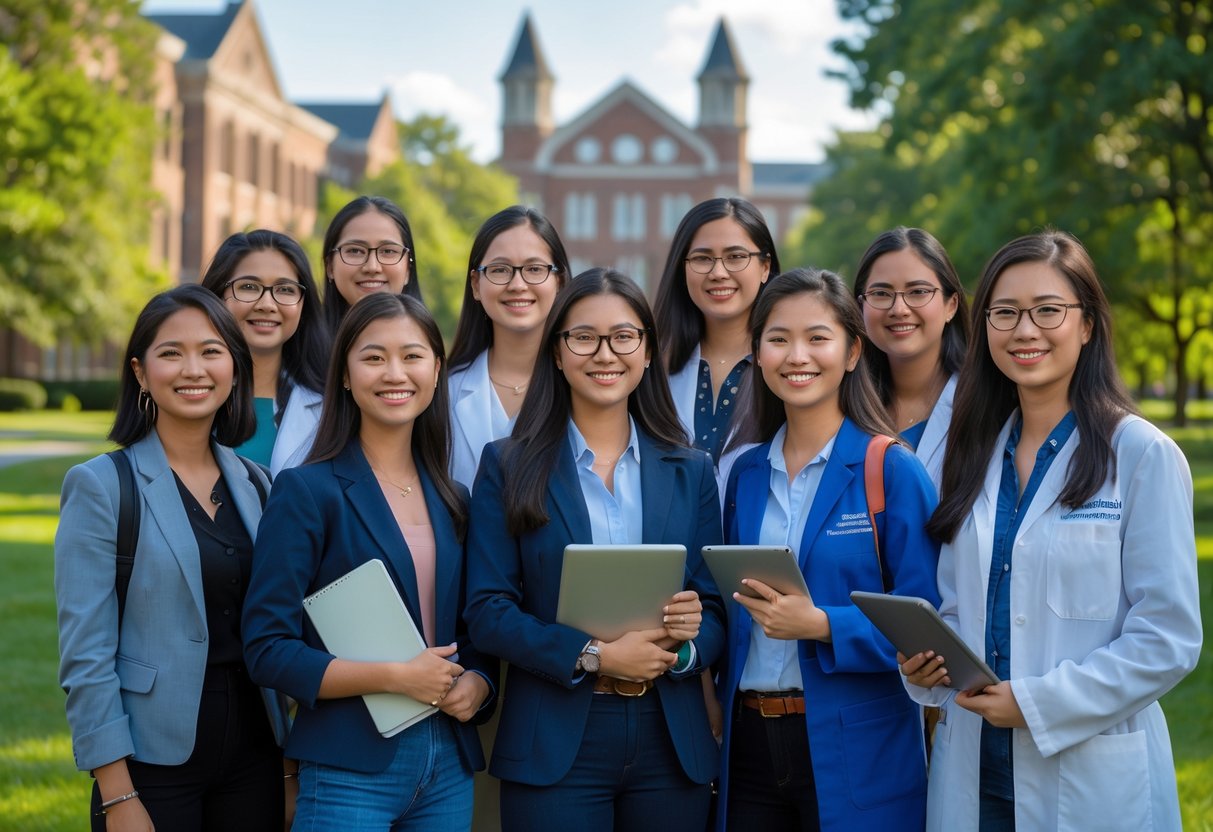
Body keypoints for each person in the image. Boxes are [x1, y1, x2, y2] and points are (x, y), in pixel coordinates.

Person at [902, 231, 1202, 831]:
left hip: (1088, 772)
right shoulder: (972, 453)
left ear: (1087, 324)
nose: (1024, 330)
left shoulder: (1140, 454)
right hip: (974, 768)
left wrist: (1038, 704)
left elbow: (1167, 638)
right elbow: (960, 605)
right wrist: (928, 667)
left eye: (1048, 310)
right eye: (1005, 312)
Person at [464, 268, 725, 831]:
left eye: (623, 337)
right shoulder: (507, 465)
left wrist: (685, 646)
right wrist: (595, 655)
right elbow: (487, 611)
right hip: (555, 739)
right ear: (557, 353)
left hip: (669, 737)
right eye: (583, 337)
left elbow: (717, 610)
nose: (605, 354)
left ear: (649, 351)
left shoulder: (691, 471)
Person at [242, 292, 496, 830]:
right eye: (374, 357)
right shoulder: (307, 491)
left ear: (436, 372)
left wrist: (478, 683)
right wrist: (394, 677)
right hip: (348, 765)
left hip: (448, 761)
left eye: (412, 355)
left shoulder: (454, 498)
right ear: (345, 376)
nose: (394, 373)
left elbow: (472, 632)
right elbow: (267, 648)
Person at [55, 284, 289, 832]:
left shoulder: (259, 483)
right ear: (140, 372)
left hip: (257, 754)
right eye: (171, 352)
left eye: (211, 351)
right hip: (149, 761)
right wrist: (116, 793)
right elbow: (86, 653)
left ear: (234, 366)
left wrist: (288, 770)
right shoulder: (100, 485)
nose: (193, 369)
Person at [718, 268, 940, 831]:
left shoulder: (891, 468)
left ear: (851, 351)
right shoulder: (743, 474)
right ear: (758, 354)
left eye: (818, 337)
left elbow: (929, 623)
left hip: (858, 747)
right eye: (778, 339)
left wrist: (822, 624)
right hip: (747, 747)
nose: (798, 355)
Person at [446, 205, 571, 488]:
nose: (518, 284)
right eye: (500, 270)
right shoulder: (441, 393)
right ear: (476, 284)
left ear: (559, 283)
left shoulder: (585, 386)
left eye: (534, 269)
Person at [653, 197, 779, 471]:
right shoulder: (650, 366)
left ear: (765, 267)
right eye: (702, 258)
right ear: (682, 268)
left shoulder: (789, 364)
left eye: (736, 257)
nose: (718, 272)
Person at [200, 229, 328, 476]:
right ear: (218, 295)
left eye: (285, 289)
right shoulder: (185, 391)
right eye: (248, 286)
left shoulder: (331, 408)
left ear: (304, 303)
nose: (267, 305)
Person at [853, 227, 970, 484]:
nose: (899, 309)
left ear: (951, 305)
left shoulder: (986, 403)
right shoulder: (841, 404)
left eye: (918, 292)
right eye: (881, 294)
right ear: (861, 306)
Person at [321, 195, 422, 333]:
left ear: (408, 269)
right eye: (355, 251)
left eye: (388, 251)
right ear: (330, 266)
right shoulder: (299, 351)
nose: (372, 267)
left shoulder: (430, 350)